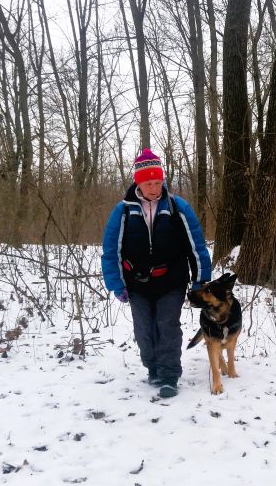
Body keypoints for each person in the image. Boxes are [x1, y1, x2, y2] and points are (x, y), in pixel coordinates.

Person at [101, 148, 212, 398]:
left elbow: (196, 246)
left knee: (167, 325)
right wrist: (117, 284)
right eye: (149, 183)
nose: (155, 187)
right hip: (137, 283)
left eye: (158, 182)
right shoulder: (123, 211)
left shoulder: (176, 207)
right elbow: (111, 250)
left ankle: (169, 375)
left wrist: (200, 280)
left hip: (171, 279)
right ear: (138, 183)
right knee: (144, 329)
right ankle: (152, 368)